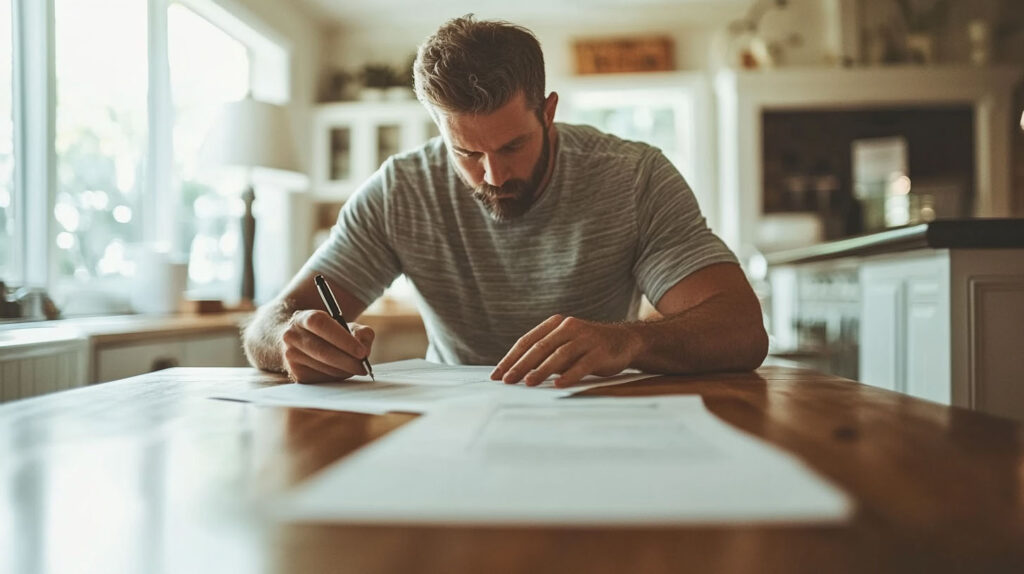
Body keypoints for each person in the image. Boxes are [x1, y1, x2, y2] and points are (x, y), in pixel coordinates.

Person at [243, 15, 768, 386]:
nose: (493, 174)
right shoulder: (400, 190)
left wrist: (628, 342)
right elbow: (271, 324)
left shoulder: (634, 178)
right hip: (453, 431)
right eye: (467, 152)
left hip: (592, 418)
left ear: (548, 111)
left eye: (513, 145)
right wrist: (291, 338)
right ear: (438, 130)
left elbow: (741, 330)